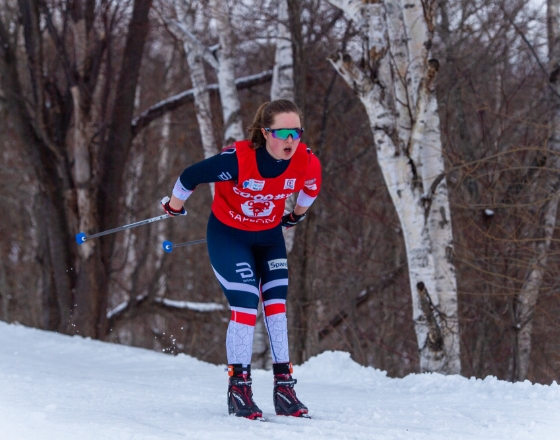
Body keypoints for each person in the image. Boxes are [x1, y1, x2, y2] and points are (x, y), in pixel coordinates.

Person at [161, 99, 322, 420]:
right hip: (229, 237)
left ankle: (284, 388)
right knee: (247, 304)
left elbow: (311, 190)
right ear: (265, 133)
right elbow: (190, 176)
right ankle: (239, 388)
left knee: (276, 307)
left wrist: (295, 217)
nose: (291, 140)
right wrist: (174, 206)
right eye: (284, 132)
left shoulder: (306, 160)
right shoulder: (238, 160)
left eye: (297, 132)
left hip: (269, 238)